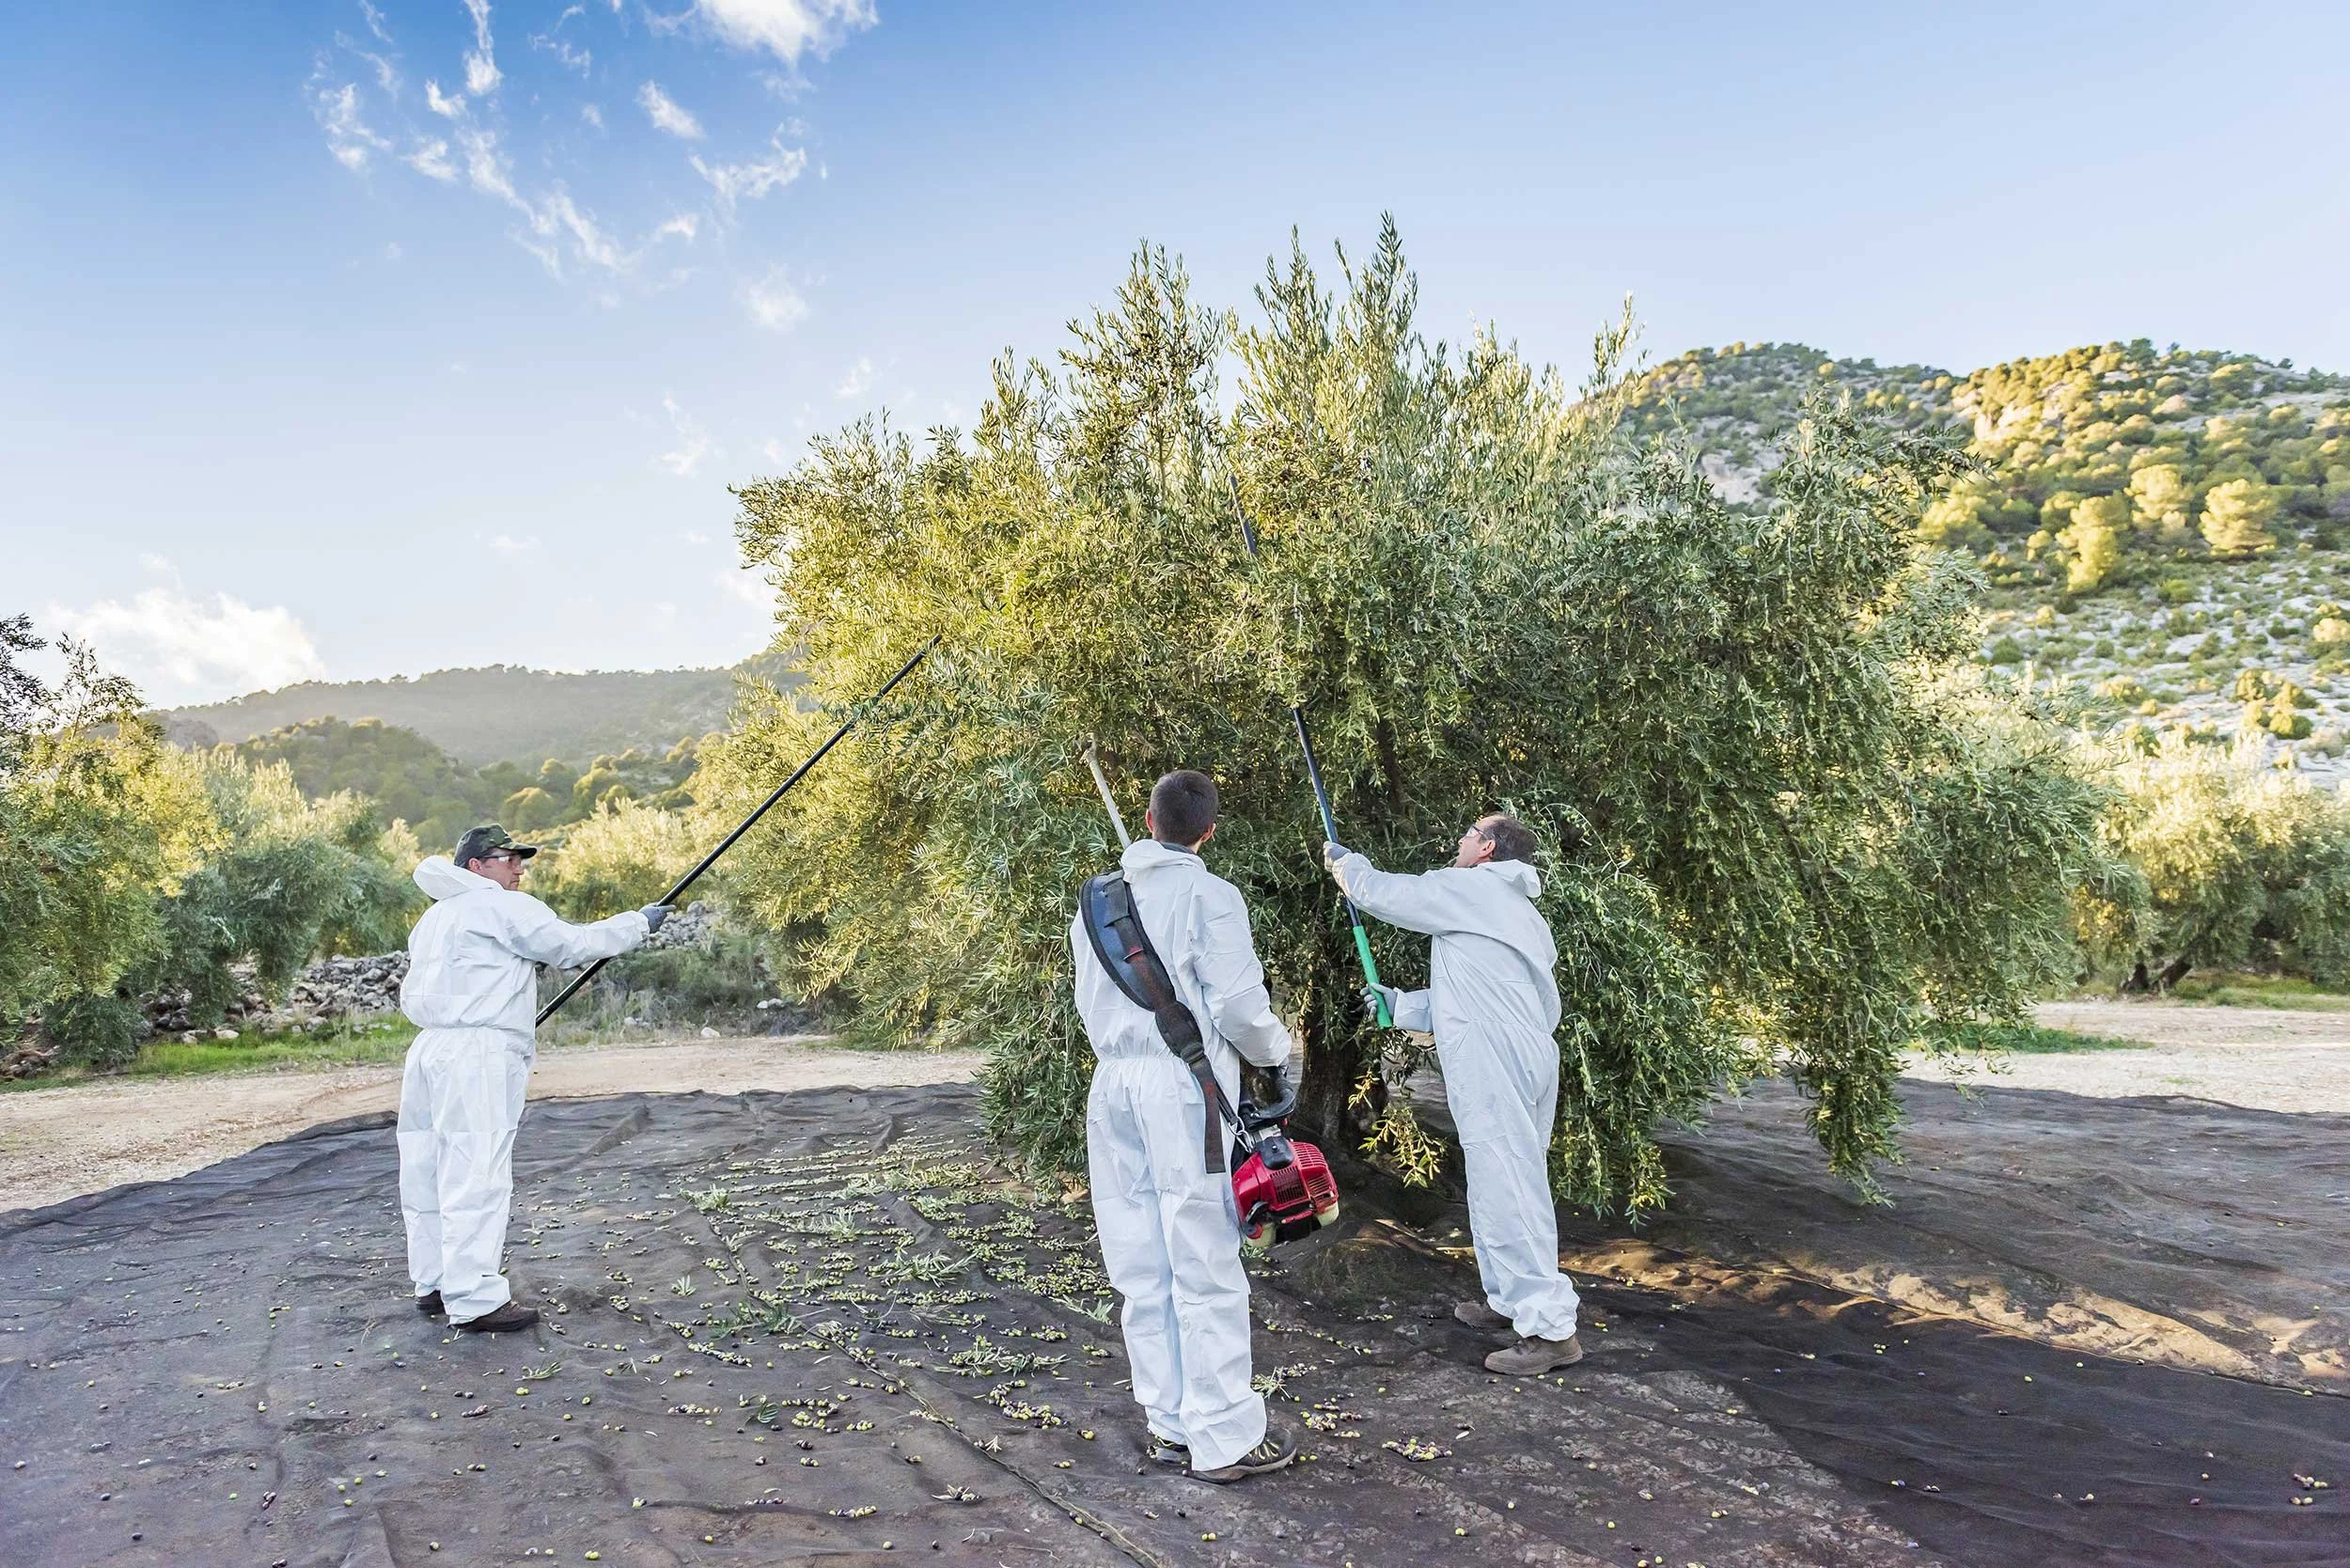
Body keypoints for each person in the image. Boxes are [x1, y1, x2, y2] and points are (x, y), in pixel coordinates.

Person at [1072, 770, 1299, 1482]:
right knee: (1201, 1259)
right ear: (1209, 831)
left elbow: (1087, 1001)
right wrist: (1277, 1053)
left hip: (1112, 1086)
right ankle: (1225, 1436)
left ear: (1146, 819)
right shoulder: (1211, 895)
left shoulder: (1095, 903)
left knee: (1140, 1263)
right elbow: (1237, 1006)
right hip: (1184, 1089)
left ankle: (1169, 1424)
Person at [1323, 814, 1584, 1375]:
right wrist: (1401, 1003)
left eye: (1469, 833)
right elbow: (1474, 992)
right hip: (1523, 1050)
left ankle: (1550, 1329)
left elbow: (1390, 894)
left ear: (1488, 848)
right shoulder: (1515, 912)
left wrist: (1347, 866)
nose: (1459, 841)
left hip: (1497, 1055)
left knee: (1509, 1182)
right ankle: (1511, 1303)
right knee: (1504, 1177)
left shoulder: (1474, 887)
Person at [398, 823, 671, 1333]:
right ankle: (474, 1299)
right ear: (476, 867)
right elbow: (572, 944)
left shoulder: (434, 917)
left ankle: (434, 1283)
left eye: (521, 858)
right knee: (476, 1169)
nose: (519, 867)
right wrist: (640, 924)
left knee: (426, 1169)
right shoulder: (502, 906)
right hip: (477, 1055)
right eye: (508, 858)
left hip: (430, 1050)